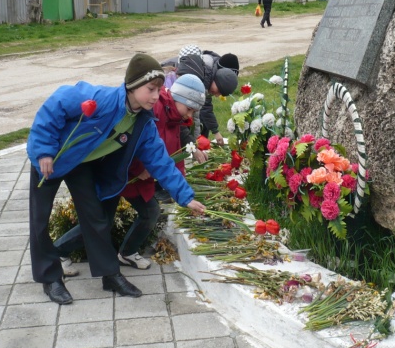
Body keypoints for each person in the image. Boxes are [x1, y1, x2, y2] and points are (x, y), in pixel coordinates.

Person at [27, 53, 206, 305]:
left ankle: (110, 275)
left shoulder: (144, 123)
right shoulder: (100, 99)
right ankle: (50, 277)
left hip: (80, 163)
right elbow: (55, 104)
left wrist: (186, 197)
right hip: (53, 157)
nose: (156, 96)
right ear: (132, 85)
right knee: (39, 218)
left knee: (96, 217)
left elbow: (161, 162)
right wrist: (44, 150)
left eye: (159, 90)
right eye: (151, 90)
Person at [57, 73, 206, 273]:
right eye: (189, 109)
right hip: (121, 172)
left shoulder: (174, 117)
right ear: (179, 98)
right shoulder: (156, 109)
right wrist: (140, 168)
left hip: (138, 176)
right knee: (101, 221)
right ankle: (56, 251)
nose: (189, 116)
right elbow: (132, 143)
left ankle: (127, 253)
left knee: (149, 212)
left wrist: (183, 191)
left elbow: (169, 154)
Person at [172, 46, 239, 146]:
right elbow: (198, 113)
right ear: (218, 80)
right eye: (219, 91)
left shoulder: (209, 75)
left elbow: (200, 110)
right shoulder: (200, 79)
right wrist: (194, 143)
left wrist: (196, 141)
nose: (217, 95)